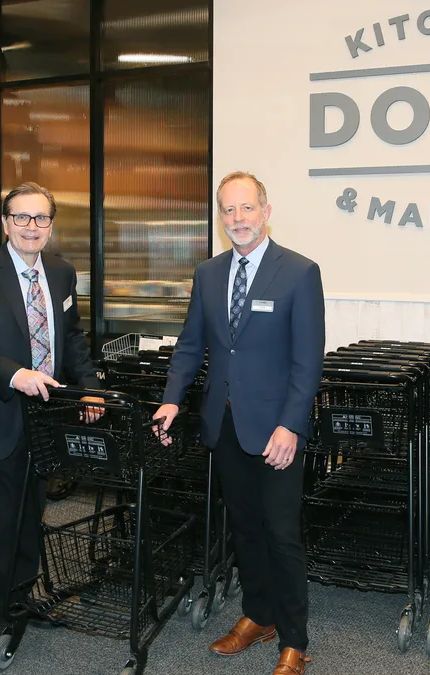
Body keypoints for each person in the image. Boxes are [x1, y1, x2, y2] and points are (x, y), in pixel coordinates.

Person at [154, 171, 325, 675]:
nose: (237, 219)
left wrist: (291, 425)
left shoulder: (298, 272)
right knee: (245, 529)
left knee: (281, 533)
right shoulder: (208, 274)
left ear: (265, 211)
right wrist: (171, 399)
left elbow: (307, 360)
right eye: (227, 210)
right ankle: (259, 615)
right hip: (223, 424)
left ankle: (294, 639)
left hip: (276, 431)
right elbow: (191, 344)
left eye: (246, 208)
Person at [0, 182, 104, 662]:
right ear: (5, 222)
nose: (31, 227)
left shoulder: (60, 272)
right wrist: (15, 375)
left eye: (40, 219)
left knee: (32, 511)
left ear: (51, 225)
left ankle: (23, 593)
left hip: (45, 417)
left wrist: (90, 384)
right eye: (22, 218)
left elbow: (72, 336)